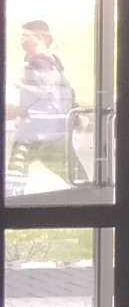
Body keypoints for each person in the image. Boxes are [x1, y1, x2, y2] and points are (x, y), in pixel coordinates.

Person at [7, 21, 78, 189]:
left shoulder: (39, 65)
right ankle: (91, 197)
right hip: (53, 132)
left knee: (14, 181)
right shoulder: (54, 64)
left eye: (26, 35)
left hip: (33, 133)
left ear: (40, 38)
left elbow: (42, 92)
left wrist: (19, 89)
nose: (21, 40)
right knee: (75, 177)